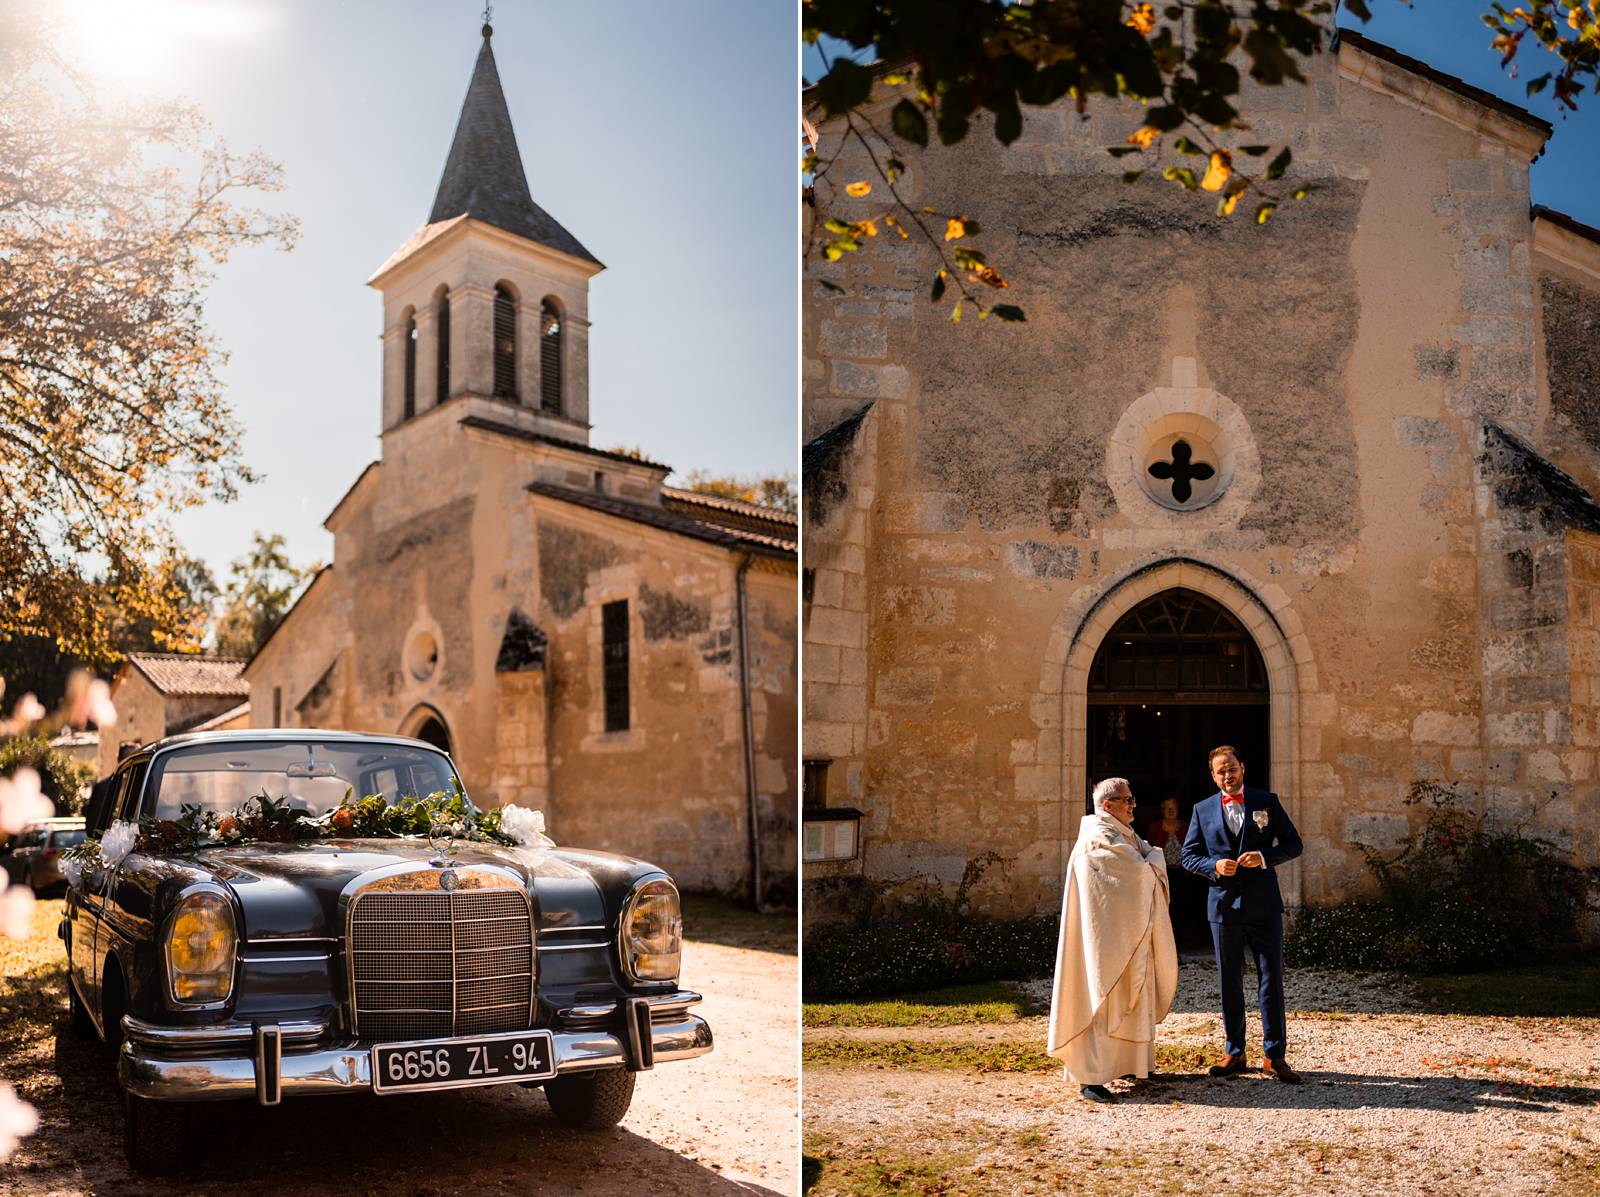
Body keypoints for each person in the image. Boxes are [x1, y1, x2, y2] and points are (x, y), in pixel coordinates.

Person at [1046, 776, 1178, 1104]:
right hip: (1102, 942)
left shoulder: (1121, 832)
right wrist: (1153, 861)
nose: (1134, 805)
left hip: (1125, 934)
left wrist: (1151, 860)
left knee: (1131, 995)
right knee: (1100, 997)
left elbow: (1145, 860)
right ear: (1108, 805)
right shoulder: (1097, 837)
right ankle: (1090, 1076)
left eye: (1132, 799)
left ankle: (1128, 1063)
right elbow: (1139, 870)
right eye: (1127, 800)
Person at [1180, 744, 1304, 1083]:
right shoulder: (1202, 809)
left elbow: (1294, 844)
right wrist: (1213, 865)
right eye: (1220, 771)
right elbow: (1188, 855)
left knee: (1271, 980)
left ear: (1242, 768)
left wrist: (1264, 858)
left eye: (1231, 768)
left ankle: (1274, 1055)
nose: (1227, 775)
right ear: (1213, 776)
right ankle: (1234, 1052)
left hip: (1264, 905)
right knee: (1229, 981)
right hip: (1222, 907)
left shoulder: (1267, 801)